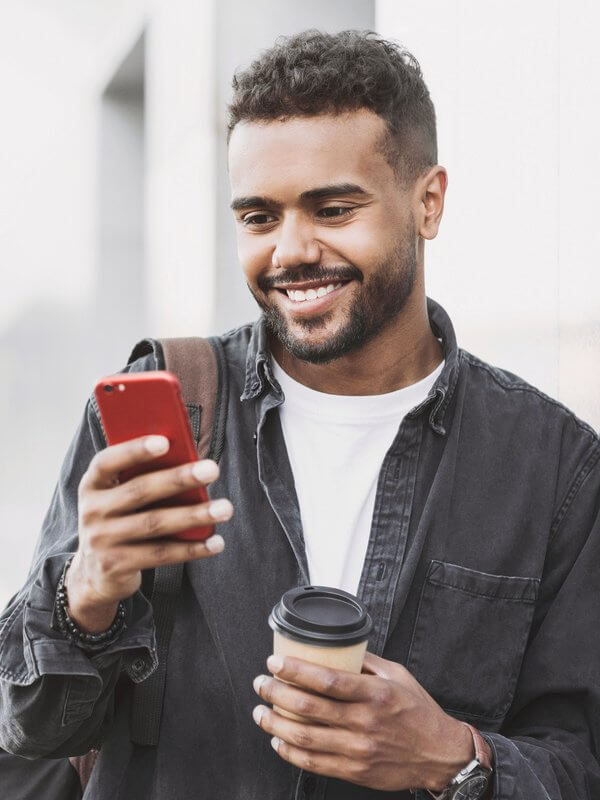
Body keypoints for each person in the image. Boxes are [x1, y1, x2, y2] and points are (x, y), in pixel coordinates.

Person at [0, 29, 599, 800]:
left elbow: (581, 761)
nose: (290, 250)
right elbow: (30, 730)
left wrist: (454, 758)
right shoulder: (160, 407)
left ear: (428, 201)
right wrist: (86, 595)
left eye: (333, 207)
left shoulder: (553, 468)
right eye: (257, 217)